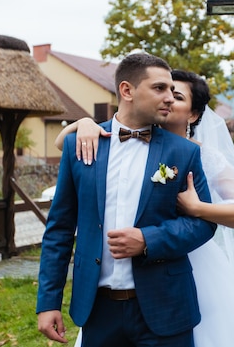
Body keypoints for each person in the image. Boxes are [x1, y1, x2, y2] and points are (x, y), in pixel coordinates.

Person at [57, 70, 234, 347]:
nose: (168, 99)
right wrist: (84, 123)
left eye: (177, 95)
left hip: (192, 266)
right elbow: (67, 149)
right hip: (120, 283)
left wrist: (198, 208)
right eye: (163, 91)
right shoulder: (129, 140)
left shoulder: (202, 155)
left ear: (194, 114)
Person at [36, 53, 217, 347]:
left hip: (166, 308)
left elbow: (203, 224)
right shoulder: (78, 147)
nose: (170, 97)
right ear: (127, 90)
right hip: (98, 311)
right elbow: (59, 229)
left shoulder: (183, 153)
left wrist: (148, 239)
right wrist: (48, 301)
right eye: (160, 88)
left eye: (172, 90)